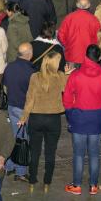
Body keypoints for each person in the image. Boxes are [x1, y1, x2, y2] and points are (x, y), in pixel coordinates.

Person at [63, 44, 101, 195]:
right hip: (97, 117)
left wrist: (71, 114)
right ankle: (93, 185)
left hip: (79, 116)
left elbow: (66, 99)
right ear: (99, 58)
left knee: (78, 153)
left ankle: (77, 185)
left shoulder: (75, 75)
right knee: (94, 153)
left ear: (85, 56)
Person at [19, 52, 67, 191]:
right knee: (50, 153)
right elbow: (67, 90)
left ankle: (32, 181)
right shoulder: (60, 76)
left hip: (36, 118)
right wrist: (68, 74)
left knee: (34, 152)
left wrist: (23, 118)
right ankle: (47, 182)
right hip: (53, 119)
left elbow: (30, 99)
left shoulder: (35, 77)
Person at [2, 42, 34, 181]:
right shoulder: (31, 71)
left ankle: (9, 166)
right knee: (23, 139)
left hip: (11, 106)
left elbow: (5, 86)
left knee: (13, 136)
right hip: (24, 109)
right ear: (29, 54)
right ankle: (20, 171)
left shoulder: (9, 67)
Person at [58, 0, 101, 66]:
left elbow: (61, 35)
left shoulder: (69, 17)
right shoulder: (94, 19)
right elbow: (98, 37)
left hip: (72, 55)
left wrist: (68, 45)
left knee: (71, 76)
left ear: (77, 4)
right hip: (88, 57)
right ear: (89, 5)